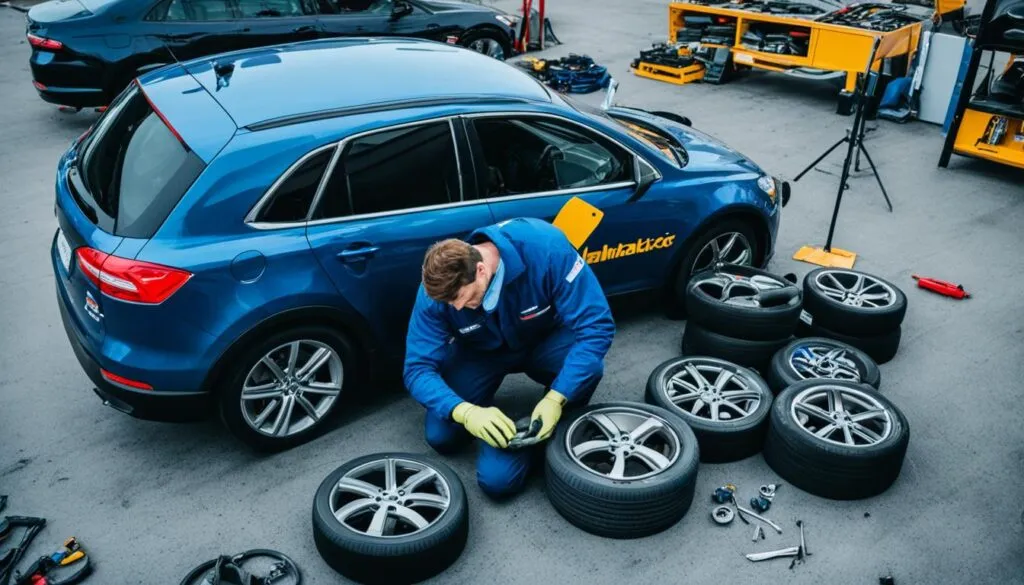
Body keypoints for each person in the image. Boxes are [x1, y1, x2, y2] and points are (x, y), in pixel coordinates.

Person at [403, 217, 616, 499]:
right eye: (450, 304)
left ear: (481, 270)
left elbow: (597, 327)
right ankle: (492, 423)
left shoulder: (546, 248)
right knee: (441, 437)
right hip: (480, 352)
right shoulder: (435, 295)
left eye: (464, 298)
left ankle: (558, 421)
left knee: (589, 367)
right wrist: (465, 412)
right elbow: (417, 369)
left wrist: (557, 398)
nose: (458, 308)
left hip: (544, 340)